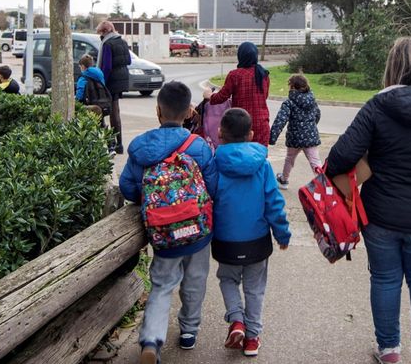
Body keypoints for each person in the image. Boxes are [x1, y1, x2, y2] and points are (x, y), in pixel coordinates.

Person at [325, 37, 411, 364]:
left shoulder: (376, 107)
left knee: (385, 278)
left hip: (381, 216)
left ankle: (389, 350)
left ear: (391, 67)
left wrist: (361, 169)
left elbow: (338, 158)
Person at [119, 81, 218, 364]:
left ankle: (151, 339)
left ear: (158, 111)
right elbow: (212, 187)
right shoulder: (198, 146)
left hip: (163, 233)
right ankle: (188, 331)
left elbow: (128, 187)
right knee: (195, 280)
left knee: (162, 284)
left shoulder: (141, 147)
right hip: (198, 232)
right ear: (189, 112)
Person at [212, 108, 290, 357]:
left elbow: (208, 200)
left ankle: (236, 320)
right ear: (252, 134)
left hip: (225, 240)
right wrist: (282, 234)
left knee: (227, 279)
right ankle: (253, 338)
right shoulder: (263, 165)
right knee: (255, 289)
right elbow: (273, 202)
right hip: (257, 241)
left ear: (219, 133)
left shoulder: (214, 164)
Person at [203, 42, 270, 147]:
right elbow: (264, 96)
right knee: (259, 158)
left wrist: (210, 96)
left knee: (240, 158)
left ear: (240, 56)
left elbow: (221, 97)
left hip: (240, 125)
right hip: (262, 124)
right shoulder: (263, 74)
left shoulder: (235, 75)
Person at [268, 74, 322, 190]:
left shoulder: (289, 102)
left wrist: (272, 137)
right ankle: (323, 184)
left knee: (290, 159)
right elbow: (317, 114)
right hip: (310, 137)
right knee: (315, 161)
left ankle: (284, 180)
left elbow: (280, 120)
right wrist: (311, 127)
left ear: (292, 86)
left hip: (295, 138)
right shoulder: (312, 100)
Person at [97, 21, 131, 154]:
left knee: (112, 112)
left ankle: (114, 144)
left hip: (112, 81)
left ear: (106, 31)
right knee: (115, 110)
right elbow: (128, 60)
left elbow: (107, 66)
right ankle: (119, 144)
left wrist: (102, 82)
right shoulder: (122, 41)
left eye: (101, 32)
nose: (100, 35)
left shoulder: (107, 44)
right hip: (122, 78)